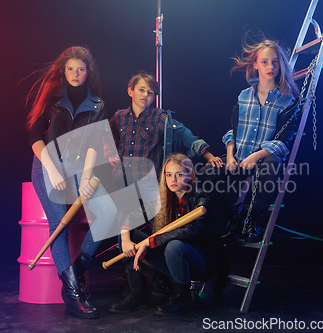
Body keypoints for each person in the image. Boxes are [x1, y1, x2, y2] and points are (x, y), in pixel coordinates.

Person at [106, 73, 223, 313]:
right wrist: (109, 152)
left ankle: (168, 286)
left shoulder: (161, 119)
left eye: (150, 92)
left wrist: (208, 155)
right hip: (128, 187)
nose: (145, 96)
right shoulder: (119, 117)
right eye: (141, 90)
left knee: (163, 233)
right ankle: (136, 292)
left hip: (153, 190)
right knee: (125, 235)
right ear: (130, 90)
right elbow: (104, 138)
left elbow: (187, 136)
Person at [26, 46, 117, 319]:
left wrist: (87, 176)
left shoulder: (97, 103)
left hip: (80, 165)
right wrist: (51, 170)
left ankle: (72, 276)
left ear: (88, 71)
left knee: (109, 213)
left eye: (81, 69)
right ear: (63, 71)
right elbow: (34, 136)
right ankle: (76, 295)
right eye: (70, 69)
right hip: (48, 164)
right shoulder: (52, 97)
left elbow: (92, 144)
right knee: (58, 226)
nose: (75, 74)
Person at [197, 38, 301, 243]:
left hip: (264, 162)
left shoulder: (289, 100)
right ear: (255, 64)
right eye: (264, 62)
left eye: (275, 62)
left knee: (273, 163)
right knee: (205, 174)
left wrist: (256, 156)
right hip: (239, 160)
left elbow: (283, 141)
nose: (270, 67)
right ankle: (235, 217)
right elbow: (233, 132)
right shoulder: (243, 96)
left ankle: (252, 222)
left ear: (280, 64)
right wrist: (229, 156)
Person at [130, 153, 229, 316]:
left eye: (179, 174)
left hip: (202, 262)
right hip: (175, 259)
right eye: (169, 175)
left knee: (174, 246)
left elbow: (190, 231)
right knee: (130, 236)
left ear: (190, 176)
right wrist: (126, 237)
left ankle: (182, 297)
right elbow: (132, 214)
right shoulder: (165, 198)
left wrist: (151, 241)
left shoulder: (201, 197)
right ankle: (137, 292)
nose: (172, 180)